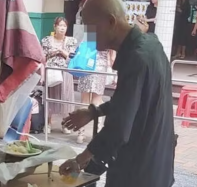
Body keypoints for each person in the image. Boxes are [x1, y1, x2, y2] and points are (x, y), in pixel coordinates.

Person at [59, 0, 175, 187]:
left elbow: (119, 128)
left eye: (90, 26)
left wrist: (80, 160)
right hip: (159, 165)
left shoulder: (137, 58)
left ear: (111, 22)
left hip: (138, 171)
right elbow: (129, 101)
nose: (88, 35)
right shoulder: (151, 44)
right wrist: (93, 112)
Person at [41, 17, 77, 134]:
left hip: (65, 72)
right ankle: (48, 123)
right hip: (51, 72)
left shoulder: (71, 41)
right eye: (60, 25)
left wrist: (61, 51)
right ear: (54, 27)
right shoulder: (46, 40)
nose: (62, 28)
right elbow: (43, 56)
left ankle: (65, 124)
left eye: (64, 26)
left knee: (65, 99)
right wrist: (53, 52)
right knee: (50, 98)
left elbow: (72, 57)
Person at [76, 50, 116, 144]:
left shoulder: (91, 35)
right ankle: (96, 133)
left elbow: (85, 47)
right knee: (97, 101)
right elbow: (113, 58)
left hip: (86, 65)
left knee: (84, 101)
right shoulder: (108, 36)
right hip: (100, 67)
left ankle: (80, 134)